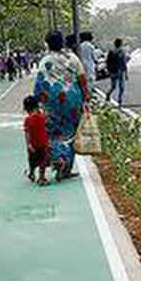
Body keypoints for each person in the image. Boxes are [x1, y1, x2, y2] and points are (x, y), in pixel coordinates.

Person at [33, 29, 88, 181]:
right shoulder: (72, 58)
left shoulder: (44, 62)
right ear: (62, 42)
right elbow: (82, 80)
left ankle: (58, 159)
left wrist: (37, 102)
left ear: (47, 44)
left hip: (52, 104)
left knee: (53, 134)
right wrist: (86, 99)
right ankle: (66, 167)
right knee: (71, 133)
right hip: (72, 101)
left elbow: (39, 84)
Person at [23, 95, 49, 186]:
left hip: (34, 144)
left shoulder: (28, 120)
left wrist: (28, 145)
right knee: (43, 161)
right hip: (43, 143)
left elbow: (27, 133)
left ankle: (32, 173)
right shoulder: (42, 116)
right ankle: (41, 177)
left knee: (32, 160)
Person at [105, 38, 128, 106]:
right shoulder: (122, 52)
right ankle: (119, 100)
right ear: (120, 44)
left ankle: (111, 95)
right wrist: (126, 73)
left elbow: (107, 62)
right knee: (121, 87)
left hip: (113, 71)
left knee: (114, 86)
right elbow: (124, 63)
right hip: (119, 71)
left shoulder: (111, 51)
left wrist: (108, 70)